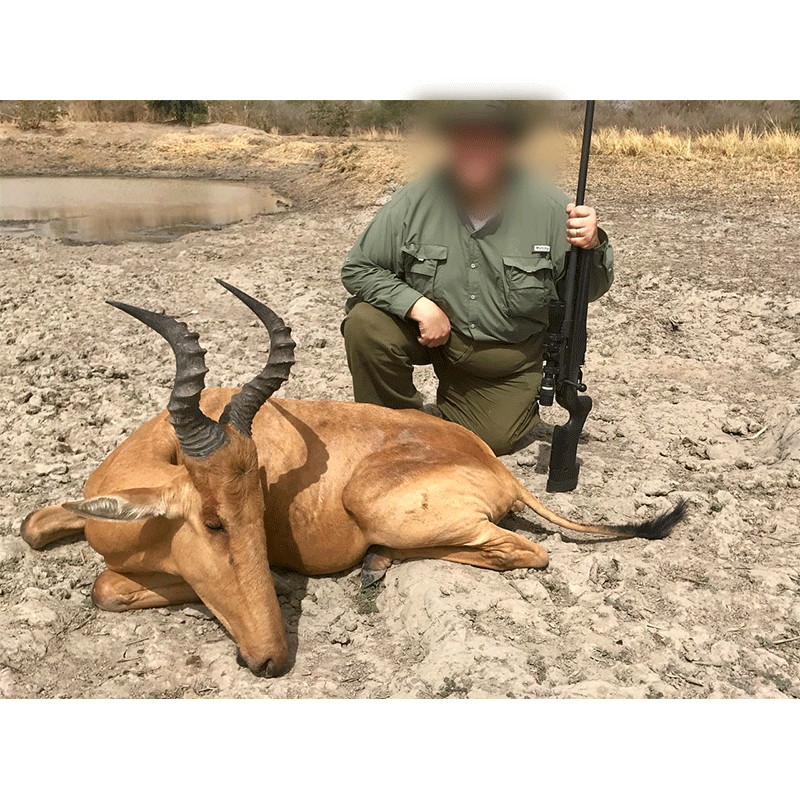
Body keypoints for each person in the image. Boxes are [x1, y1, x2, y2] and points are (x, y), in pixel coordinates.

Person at [341, 101, 613, 455]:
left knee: (491, 443)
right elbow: (359, 268)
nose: (474, 152)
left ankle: (443, 417)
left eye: (487, 141)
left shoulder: (550, 208)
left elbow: (589, 290)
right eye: (464, 140)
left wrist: (591, 244)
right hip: (434, 338)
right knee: (365, 323)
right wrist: (417, 305)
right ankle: (390, 424)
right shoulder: (412, 201)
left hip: (502, 364)